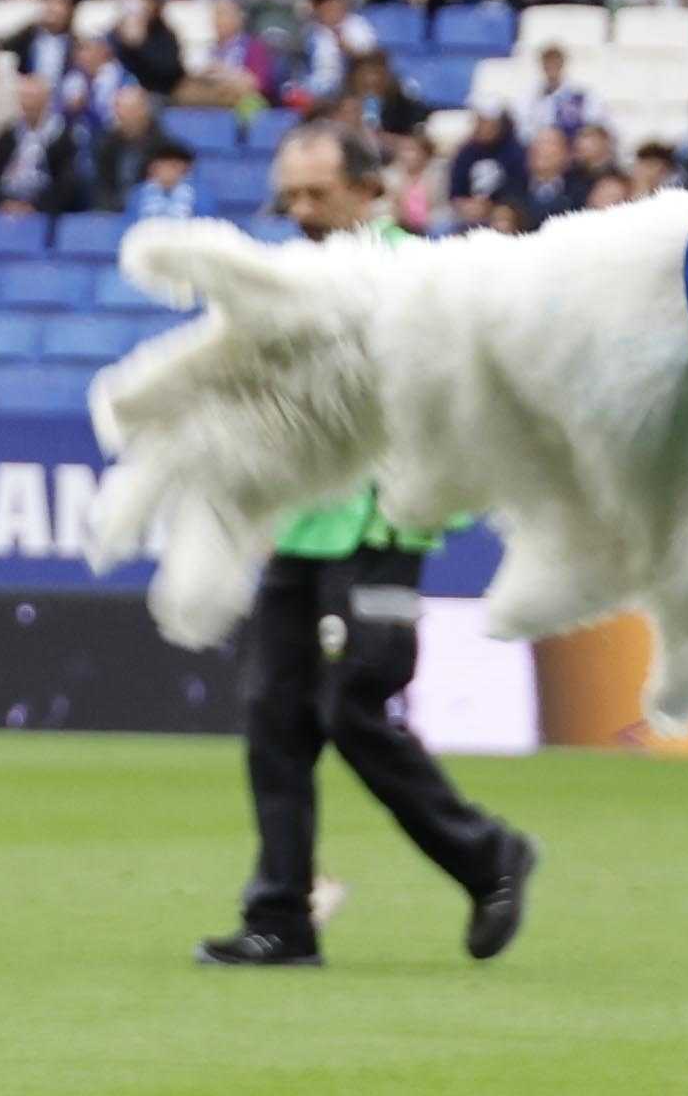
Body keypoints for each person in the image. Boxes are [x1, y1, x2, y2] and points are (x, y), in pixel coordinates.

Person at [198, 121, 533, 971]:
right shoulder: (282, 283)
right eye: (293, 197)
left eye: (320, 194)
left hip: (384, 525)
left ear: (369, 190)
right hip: (303, 527)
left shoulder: (414, 275)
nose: (303, 211)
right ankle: (281, 917)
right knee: (274, 719)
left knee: (354, 703)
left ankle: (486, 853)